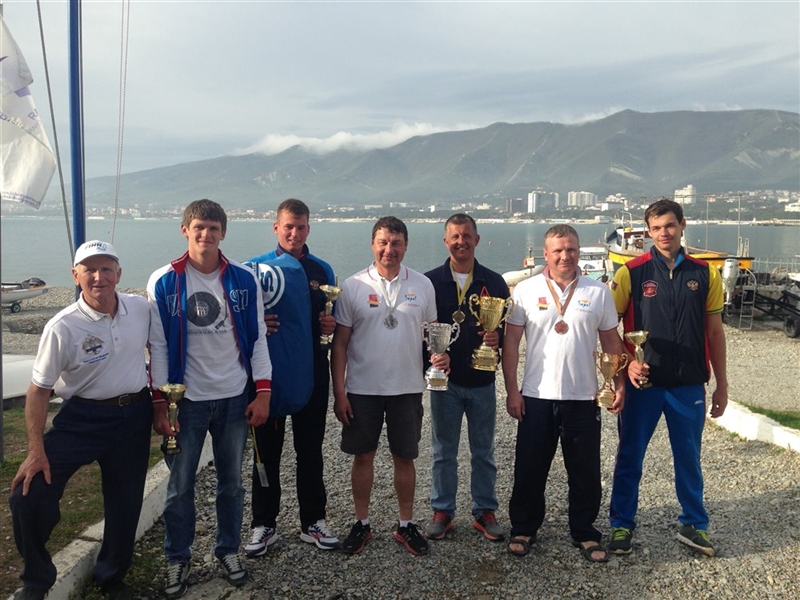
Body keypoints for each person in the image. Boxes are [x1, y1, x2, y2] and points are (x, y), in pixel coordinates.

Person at [8, 240, 152, 600]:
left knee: (125, 502)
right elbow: (38, 390)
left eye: (106, 269)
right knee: (29, 494)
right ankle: (36, 580)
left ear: (119, 273)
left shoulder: (140, 308)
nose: (99, 277)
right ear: (75, 275)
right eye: (89, 270)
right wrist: (35, 450)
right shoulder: (62, 326)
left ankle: (112, 577)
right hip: (83, 418)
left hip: (134, 414)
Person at [147, 199, 272, 598]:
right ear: (185, 230)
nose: (206, 234)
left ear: (223, 233)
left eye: (213, 228)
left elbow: (257, 338)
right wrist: (161, 402)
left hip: (234, 396)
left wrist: (263, 392)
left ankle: (228, 550)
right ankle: (177, 557)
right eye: (199, 227)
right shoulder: (164, 281)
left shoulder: (243, 279)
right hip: (187, 401)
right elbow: (159, 345)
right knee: (180, 485)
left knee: (231, 483)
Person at [608, 198, 728, 557]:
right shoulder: (630, 272)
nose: (664, 233)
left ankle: (694, 524)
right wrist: (627, 364)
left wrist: (722, 384)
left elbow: (715, 332)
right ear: (648, 232)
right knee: (630, 455)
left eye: (670, 225)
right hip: (643, 384)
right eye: (657, 228)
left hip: (689, 383)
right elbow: (609, 328)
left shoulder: (706, 274)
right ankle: (621, 524)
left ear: (682, 225)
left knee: (689, 457)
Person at [502, 225, 626, 562]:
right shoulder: (525, 290)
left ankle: (585, 531)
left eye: (570, 249)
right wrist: (512, 390)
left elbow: (611, 343)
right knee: (529, 468)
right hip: (536, 395)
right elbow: (511, 343)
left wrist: (618, 384)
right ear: (546, 254)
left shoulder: (598, 291)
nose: (565, 256)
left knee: (585, 471)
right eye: (557, 250)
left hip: (583, 396)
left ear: (578, 251)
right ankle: (524, 527)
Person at [330, 216, 448, 556]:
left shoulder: (423, 285)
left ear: (405, 245)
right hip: (362, 389)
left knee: (405, 457)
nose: (389, 249)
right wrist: (339, 392)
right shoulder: (353, 286)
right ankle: (362, 523)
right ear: (372, 244)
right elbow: (340, 344)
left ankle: (406, 524)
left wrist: (440, 358)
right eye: (383, 242)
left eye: (396, 243)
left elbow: (433, 337)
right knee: (363, 456)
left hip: (406, 388)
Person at [243, 198, 339, 555]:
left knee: (310, 450)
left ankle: (313, 521)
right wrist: (257, 323)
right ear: (276, 228)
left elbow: (331, 316)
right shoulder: (256, 268)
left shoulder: (323, 270)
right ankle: (263, 524)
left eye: (301, 227)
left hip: (313, 370)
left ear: (308, 229)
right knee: (266, 452)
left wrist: (329, 323)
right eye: (288, 226)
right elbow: (242, 319)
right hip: (271, 373)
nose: (294, 233)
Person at [423, 213, 510, 542]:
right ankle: (442, 510)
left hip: (482, 382)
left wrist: (497, 338)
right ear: (446, 241)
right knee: (443, 451)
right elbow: (422, 330)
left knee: (483, 451)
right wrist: (432, 358)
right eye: (455, 236)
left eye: (467, 236)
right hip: (444, 383)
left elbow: (506, 330)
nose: (461, 242)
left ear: (476, 239)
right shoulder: (429, 282)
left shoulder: (494, 282)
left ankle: (484, 510)